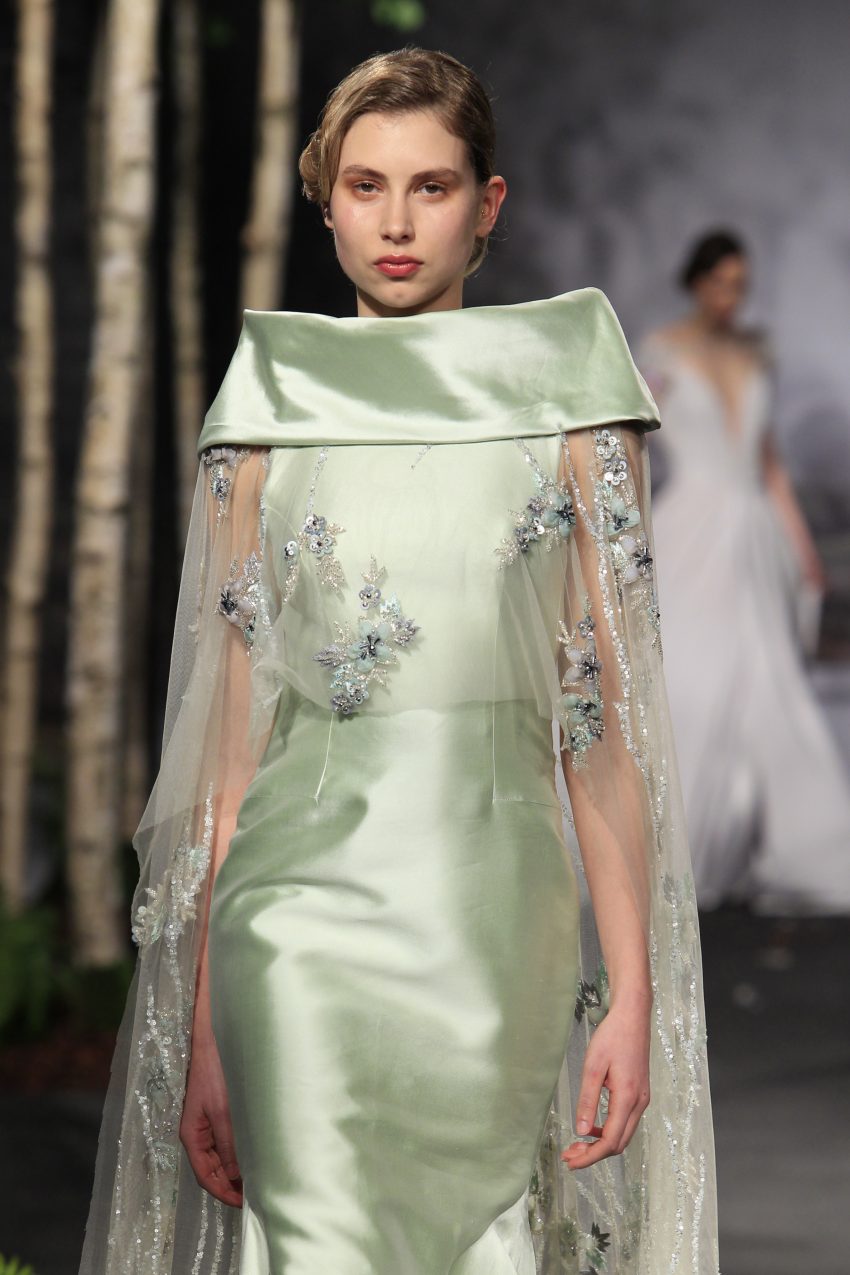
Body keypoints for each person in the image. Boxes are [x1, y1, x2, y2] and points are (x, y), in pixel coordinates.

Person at [80, 49, 717, 1274]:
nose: (395, 222)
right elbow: (229, 752)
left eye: (431, 186)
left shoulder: (569, 398)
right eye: (365, 186)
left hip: (497, 928)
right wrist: (206, 1025)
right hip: (291, 929)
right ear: (325, 201)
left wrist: (631, 997)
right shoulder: (272, 403)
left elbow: (603, 733)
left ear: (488, 203)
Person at [637, 229, 850, 913]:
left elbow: (769, 461)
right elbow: (629, 441)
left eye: (741, 286)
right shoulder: (662, 351)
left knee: (767, 678)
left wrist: (802, 547)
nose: (730, 297)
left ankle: (790, 838)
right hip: (689, 531)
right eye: (720, 282)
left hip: (754, 532)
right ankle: (670, 846)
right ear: (696, 282)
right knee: (693, 674)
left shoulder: (756, 353)